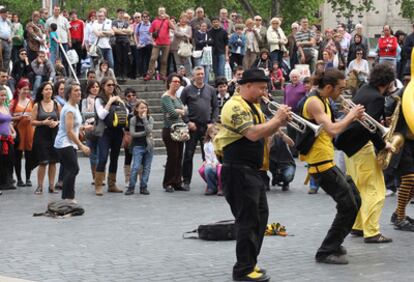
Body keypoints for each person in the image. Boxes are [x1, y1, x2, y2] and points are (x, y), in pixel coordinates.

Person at [214, 68, 291, 282]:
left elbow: (264, 129)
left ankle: (250, 262)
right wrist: (277, 119)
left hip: (253, 171)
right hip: (238, 170)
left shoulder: (254, 105)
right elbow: (253, 133)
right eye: (261, 88)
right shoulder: (234, 105)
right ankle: (243, 270)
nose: (264, 92)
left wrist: (279, 126)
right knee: (247, 221)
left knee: (259, 218)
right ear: (247, 86)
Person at [299, 69, 365, 264]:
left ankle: (335, 242)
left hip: (328, 160)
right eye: (340, 89)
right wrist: (351, 115)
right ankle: (326, 250)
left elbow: (334, 129)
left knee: (355, 199)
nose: (342, 93)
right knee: (348, 206)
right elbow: (333, 129)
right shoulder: (313, 102)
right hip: (320, 164)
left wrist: (349, 117)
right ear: (329, 87)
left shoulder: (325, 100)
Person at [335, 63, 395, 243]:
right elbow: (369, 128)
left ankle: (358, 226)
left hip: (349, 147)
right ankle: (372, 231)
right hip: (361, 146)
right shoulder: (376, 97)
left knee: (360, 187)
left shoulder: (363, 89)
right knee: (376, 189)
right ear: (388, 82)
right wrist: (384, 144)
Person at [180, 66, 219, 191]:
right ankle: (186, 180)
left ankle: (210, 182)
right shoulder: (187, 90)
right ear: (193, 76)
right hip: (193, 126)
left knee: (208, 155)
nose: (201, 76)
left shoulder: (211, 89)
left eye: (202, 74)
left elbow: (215, 107)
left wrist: (212, 122)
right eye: (198, 74)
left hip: (207, 127)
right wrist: (187, 121)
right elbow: (180, 107)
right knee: (188, 155)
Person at [54, 81, 90, 201]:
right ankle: (68, 197)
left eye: (79, 90)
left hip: (69, 143)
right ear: (69, 94)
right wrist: (82, 146)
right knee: (73, 168)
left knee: (71, 169)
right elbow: (69, 131)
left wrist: (83, 127)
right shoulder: (69, 109)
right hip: (64, 143)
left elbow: (74, 127)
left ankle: (67, 197)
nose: (79, 92)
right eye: (76, 90)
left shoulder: (75, 106)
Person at [93, 77, 125, 196]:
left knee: (115, 158)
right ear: (103, 86)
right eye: (109, 85)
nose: (112, 87)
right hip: (104, 132)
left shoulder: (117, 98)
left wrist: (121, 103)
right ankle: (98, 185)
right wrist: (110, 102)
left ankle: (112, 184)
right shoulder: (99, 99)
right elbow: (101, 115)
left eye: (113, 85)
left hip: (117, 131)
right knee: (102, 158)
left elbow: (125, 111)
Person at [31, 81, 61, 194]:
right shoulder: (37, 105)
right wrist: (43, 122)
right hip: (41, 136)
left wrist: (56, 123)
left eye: (50, 89)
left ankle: (52, 186)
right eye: (46, 89)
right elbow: (31, 122)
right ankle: (40, 186)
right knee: (43, 162)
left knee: (53, 162)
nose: (49, 91)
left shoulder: (56, 104)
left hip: (54, 135)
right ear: (42, 92)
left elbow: (62, 120)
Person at [161, 74, 186, 192]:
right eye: (174, 81)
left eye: (178, 82)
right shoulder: (166, 97)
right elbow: (172, 113)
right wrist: (179, 111)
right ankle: (168, 182)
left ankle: (177, 181)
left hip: (179, 129)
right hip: (169, 130)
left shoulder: (177, 97)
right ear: (169, 83)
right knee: (172, 156)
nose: (177, 83)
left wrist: (179, 111)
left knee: (179, 156)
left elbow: (184, 111)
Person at [125, 99, 154, 196]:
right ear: (136, 109)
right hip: (137, 146)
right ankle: (131, 187)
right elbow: (133, 133)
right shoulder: (133, 119)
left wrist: (145, 119)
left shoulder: (150, 118)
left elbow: (149, 130)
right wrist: (145, 133)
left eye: (145, 108)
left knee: (147, 167)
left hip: (148, 146)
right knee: (136, 167)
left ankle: (143, 186)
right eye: (141, 108)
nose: (144, 110)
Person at [10, 79, 34, 187]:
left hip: (29, 131)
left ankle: (28, 178)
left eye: (27, 89)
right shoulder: (13, 102)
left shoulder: (31, 101)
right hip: (18, 131)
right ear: (18, 89)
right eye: (24, 89)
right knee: (17, 156)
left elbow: (34, 115)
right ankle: (19, 178)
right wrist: (17, 117)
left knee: (29, 156)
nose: (26, 91)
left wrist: (31, 118)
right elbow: (8, 118)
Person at [144, 7, 175, 81]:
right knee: (153, 58)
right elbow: (150, 32)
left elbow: (174, 28)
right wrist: (153, 41)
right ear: (158, 12)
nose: (162, 12)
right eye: (160, 11)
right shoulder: (155, 21)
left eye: (163, 11)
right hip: (157, 43)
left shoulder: (167, 21)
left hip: (166, 43)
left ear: (165, 12)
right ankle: (150, 74)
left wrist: (168, 19)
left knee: (164, 60)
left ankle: (163, 75)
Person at [81, 80, 100, 185]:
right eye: (93, 87)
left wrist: (94, 114)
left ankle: (101, 176)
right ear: (89, 88)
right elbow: (84, 114)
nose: (95, 88)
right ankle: (95, 177)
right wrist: (97, 113)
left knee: (101, 154)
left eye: (97, 86)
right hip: (89, 128)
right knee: (92, 154)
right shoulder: (85, 100)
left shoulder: (102, 99)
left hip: (100, 128)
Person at [0, 85, 17, 191]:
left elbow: (9, 121)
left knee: (9, 160)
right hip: (0, 139)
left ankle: (8, 181)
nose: (3, 98)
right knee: (1, 161)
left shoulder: (5, 107)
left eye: (4, 96)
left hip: (8, 138)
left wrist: (13, 131)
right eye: (1, 95)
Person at [45, 6, 72, 72]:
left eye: (58, 10)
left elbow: (68, 30)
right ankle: (55, 73)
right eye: (55, 10)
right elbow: (47, 31)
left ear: (59, 11)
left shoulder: (64, 19)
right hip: (54, 43)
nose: (57, 11)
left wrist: (69, 41)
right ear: (53, 10)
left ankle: (66, 73)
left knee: (65, 58)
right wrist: (48, 41)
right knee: (54, 59)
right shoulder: (49, 20)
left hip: (64, 41)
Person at [122, 88, 138, 186]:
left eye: (133, 95)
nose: (131, 97)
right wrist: (125, 134)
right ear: (125, 97)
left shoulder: (140, 106)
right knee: (128, 157)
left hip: (140, 134)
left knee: (139, 157)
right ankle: (127, 179)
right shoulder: (124, 108)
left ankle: (140, 179)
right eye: (129, 96)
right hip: (128, 134)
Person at [112, 8, 133, 80]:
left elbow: (130, 31)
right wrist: (124, 31)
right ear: (117, 13)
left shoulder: (126, 22)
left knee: (125, 58)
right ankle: (118, 74)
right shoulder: (114, 22)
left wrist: (121, 30)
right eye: (120, 13)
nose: (122, 14)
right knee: (118, 58)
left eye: (123, 13)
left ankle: (124, 74)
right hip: (117, 42)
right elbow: (115, 31)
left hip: (125, 42)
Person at [202, 125, 220, 195]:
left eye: (218, 134)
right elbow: (207, 156)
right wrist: (209, 163)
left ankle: (221, 187)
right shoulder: (207, 144)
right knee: (208, 169)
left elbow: (220, 156)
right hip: (211, 163)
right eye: (214, 134)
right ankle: (212, 187)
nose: (216, 136)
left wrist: (216, 162)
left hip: (220, 163)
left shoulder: (221, 143)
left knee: (220, 169)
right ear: (210, 134)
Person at [135, 11, 152, 78]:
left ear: (149, 17)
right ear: (142, 18)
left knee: (148, 60)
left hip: (149, 44)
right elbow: (135, 35)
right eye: (144, 17)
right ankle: (141, 74)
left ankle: (148, 74)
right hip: (141, 45)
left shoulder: (152, 25)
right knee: (140, 60)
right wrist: (137, 44)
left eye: (146, 17)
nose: (145, 18)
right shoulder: (138, 25)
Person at [69, 10, 85, 76]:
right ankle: (73, 72)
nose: (73, 16)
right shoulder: (69, 23)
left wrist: (83, 42)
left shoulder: (81, 22)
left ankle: (78, 73)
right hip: (72, 42)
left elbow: (84, 32)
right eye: (72, 14)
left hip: (79, 42)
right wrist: (69, 42)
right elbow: (68, 33)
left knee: (79, 58)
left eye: (74, 14)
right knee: (72, 58)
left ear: (76, 15)